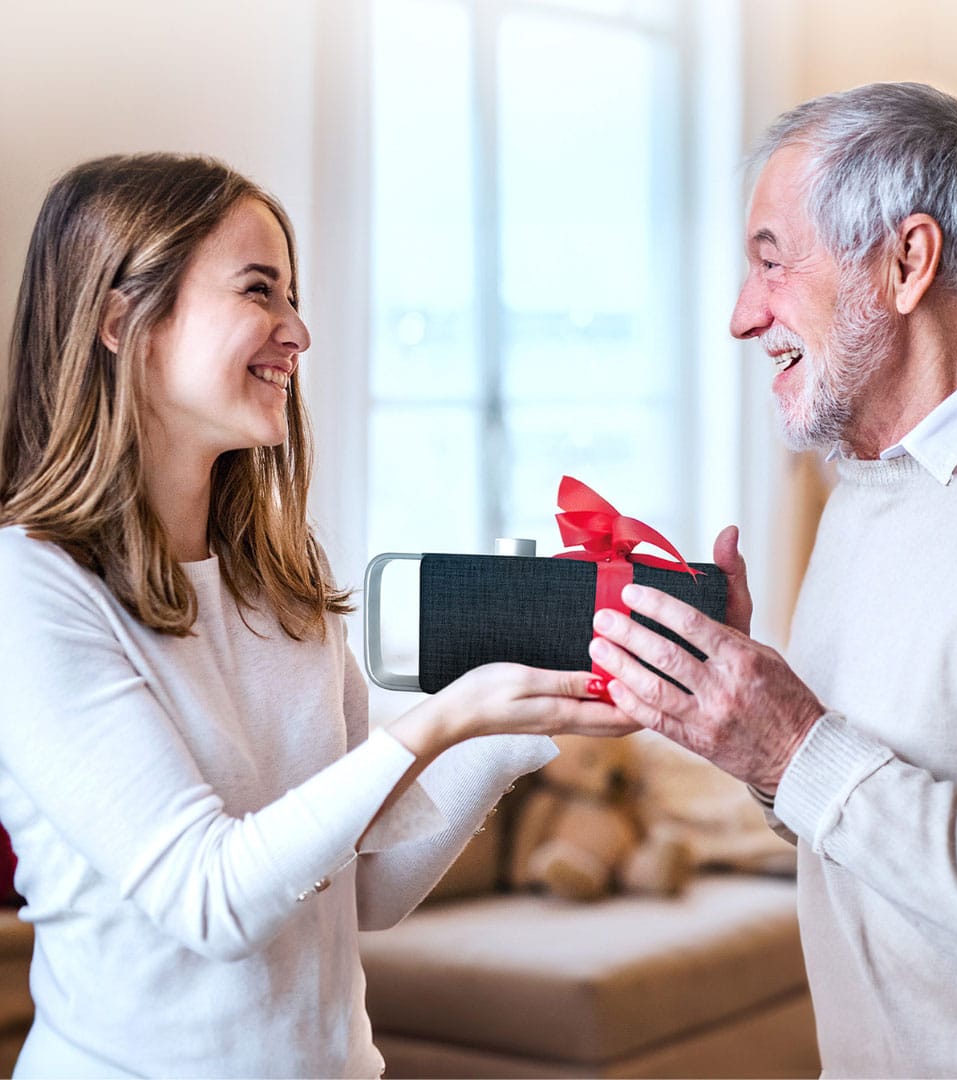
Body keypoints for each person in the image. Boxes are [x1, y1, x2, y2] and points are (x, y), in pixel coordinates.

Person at [0, 153, 631, 1078]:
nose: (297, 331)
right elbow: (209, 897)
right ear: (119, 319)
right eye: (261, 292)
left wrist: (517, 719)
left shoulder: (281, 578)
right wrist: (444, 718)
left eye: (292, 295)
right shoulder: (30, 585)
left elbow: (363, 890)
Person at [589, 82, 957, 1077]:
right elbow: (850, 801)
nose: (739, 316)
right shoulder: (869, 481)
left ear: (907, 262)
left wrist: (796, 745)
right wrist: (749, 727)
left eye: (772, 262)